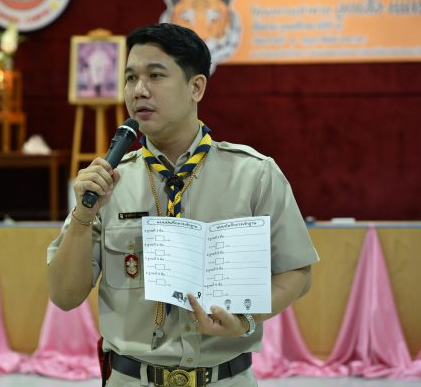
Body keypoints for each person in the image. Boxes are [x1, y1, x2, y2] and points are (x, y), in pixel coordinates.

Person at [48, 23, 319, 386]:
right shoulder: (109, 182)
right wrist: (83, 215)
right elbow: (64, 296)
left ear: (196, 87)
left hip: (226, 379)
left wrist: (245, 319)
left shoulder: (253, 174)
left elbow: (296, 272)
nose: (138, 90)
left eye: (155, 75)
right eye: (130, 78)